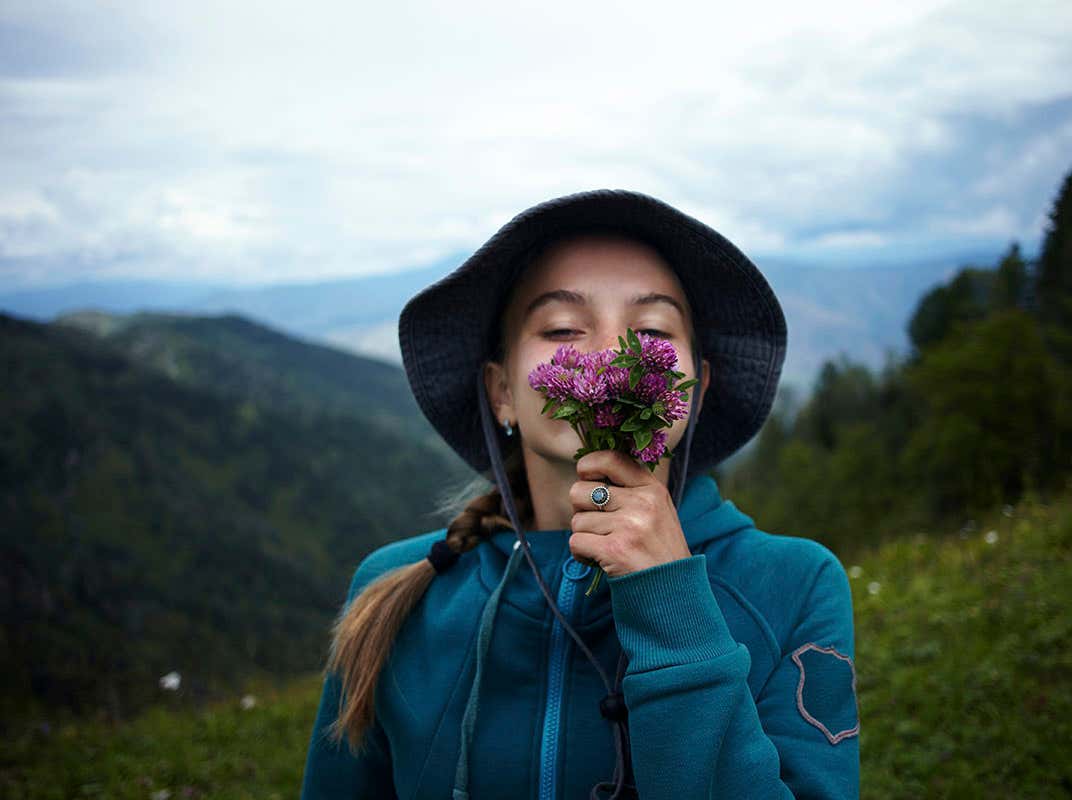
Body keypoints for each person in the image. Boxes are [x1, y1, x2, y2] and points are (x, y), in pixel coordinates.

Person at [300, 189, 860, 799]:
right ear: (501, 391)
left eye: (650, 329)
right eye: (562, 327)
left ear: (696, 390)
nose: (607, 356)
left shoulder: (796, 584)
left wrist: (668, 599)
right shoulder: (396, 592)